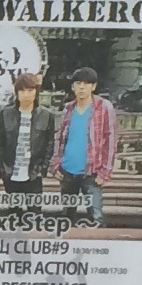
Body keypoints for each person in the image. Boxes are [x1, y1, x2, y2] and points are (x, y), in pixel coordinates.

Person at [54, 66, 118, 226]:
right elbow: (60, 139)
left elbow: (111, 141)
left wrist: (105, 172)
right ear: (73, 86)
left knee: (96, 217)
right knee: (66, 217)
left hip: (92, 173)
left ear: (93, 86)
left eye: (86, 83)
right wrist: (56, 165)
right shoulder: (68, 108)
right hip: (67, 172)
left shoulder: (104, 107)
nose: (82, 87)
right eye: (78, 83)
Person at [0, 70, 55, 196]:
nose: (26, 94)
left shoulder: (46, 115)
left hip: (33, 174)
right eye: (22, 91)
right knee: (13, 207)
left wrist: (42, 169)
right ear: (16, 92)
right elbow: (0, 144)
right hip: (11, 173)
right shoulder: (6, 114)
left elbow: (49, 145)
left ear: (36, 91)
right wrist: (2, 170)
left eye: (30, 90)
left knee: (34, 207)